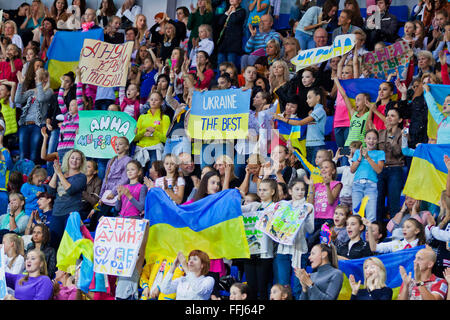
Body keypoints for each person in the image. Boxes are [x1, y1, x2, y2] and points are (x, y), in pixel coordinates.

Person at [273, 178, 314, 299]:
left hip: (300, 250)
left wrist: (306, 216)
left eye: (303, 189)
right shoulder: (283, 205)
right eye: (297, 189)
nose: (300, 192)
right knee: (282, 287)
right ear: (290, 191)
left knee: (297, 288)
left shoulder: (308, 206)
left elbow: (310, 230)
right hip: (282, 250)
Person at [241, 178, 279, 300]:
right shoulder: (254, 205)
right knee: (251, 287)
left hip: (265, 253)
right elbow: (239, 209)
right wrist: (238, 197)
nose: (261, 193)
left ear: (272, 191)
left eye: (265, 190)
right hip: (251, 251)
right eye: (260, 190)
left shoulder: (276, 207)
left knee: (263, 288)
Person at [47, 149, 87, 250]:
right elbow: (50, 191)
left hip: (71, 214)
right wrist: (56, 173)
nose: (74, 160)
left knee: (69, 246)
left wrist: (59, 173)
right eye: (72, 158)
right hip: (57, 212)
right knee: (54, 243)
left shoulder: (81, 177)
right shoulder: (61, 173)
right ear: (68, 159)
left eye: (78, 159)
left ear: (81, 162)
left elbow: (70, 190)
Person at [88, 137, 131, 230]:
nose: (117, 146)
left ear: (127, 147)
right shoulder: (111, 160)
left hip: (118, 194)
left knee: (113, 221)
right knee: (97, 219)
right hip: (106, 194)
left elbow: (124, 179)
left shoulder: (128, 160)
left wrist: (114, 192)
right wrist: (101, 196)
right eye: (116, 144)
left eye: (120, 144)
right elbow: (105, 179)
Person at [15, 68, 53, 164]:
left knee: (33, 155)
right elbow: (18, 100)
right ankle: (23, 177)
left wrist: (39, 83)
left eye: (38, 76)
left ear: (45, 79)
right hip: (25, 124)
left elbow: (40, 98)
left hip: (38, 126)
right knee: (23, 154)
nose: (36, 78)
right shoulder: (32, 91)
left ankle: (32, 177)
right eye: (36, 76)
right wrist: (20, 84)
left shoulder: (49, 91)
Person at [350, 129, 385, 222]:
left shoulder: (380, 153)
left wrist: (368, 157)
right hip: (357, 185)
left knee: (371, 217)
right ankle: (357, 236)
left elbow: (378, 170)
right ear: (365, 140)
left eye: (374, 139)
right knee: (356, 216)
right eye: (369, 138)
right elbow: (352, 170)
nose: (371, 141)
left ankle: (369, 236)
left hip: (371, 186)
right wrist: (359, 159)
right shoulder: (358, 152)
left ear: (377, 140)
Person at [217, 0, 246, 70]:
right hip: (224, 43)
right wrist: (227, 12)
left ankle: (232, 80)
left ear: (240, 1)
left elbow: (234, 20)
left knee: (231, 66)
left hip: (233, 44)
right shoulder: (228, 10)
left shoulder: (242, 11)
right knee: (220, 64)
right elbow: (220, 22)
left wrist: (233, 11)